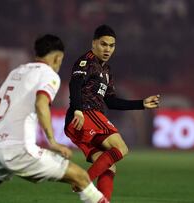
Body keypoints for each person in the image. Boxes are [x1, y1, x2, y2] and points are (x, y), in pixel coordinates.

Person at [0, 34, 109, 203]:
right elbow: (41, 104)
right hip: (20, 150)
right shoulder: (49, 75)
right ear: (58, 57)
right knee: (80, 177)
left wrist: (3, 136)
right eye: (61, 60)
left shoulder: (17, 71)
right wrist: (52, 141)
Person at [64, 24, 160, 201]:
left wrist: (142, 104)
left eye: (111, 45)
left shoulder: (106, 70)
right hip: (86, 113)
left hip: (79, 124)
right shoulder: (87, 61)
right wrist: (78, 109)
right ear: (94, 43)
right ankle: (82, 181)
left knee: (109, 166)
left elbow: (111, 101)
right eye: (103, 44)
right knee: (121, 147)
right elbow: (75, 84)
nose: (107, 49)